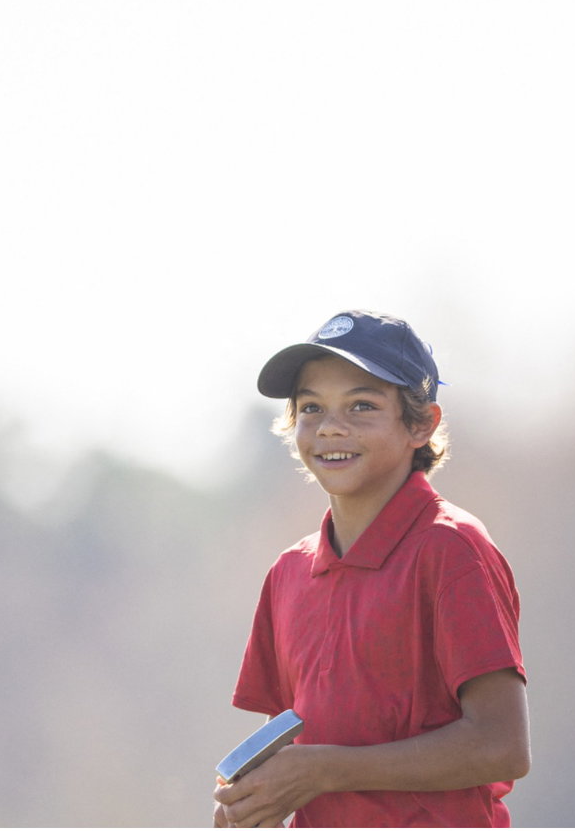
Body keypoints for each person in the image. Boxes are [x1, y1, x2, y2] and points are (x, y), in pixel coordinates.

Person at [213, 310, 529, 828]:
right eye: (311, 408)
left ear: (421, 424)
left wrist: (324, 771)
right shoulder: (289, 573)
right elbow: (288, 748)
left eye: (362, 406)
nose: (331, 427)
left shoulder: (451, 549)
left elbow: (501, 745)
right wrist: (252, 803)